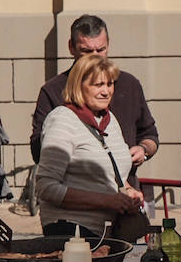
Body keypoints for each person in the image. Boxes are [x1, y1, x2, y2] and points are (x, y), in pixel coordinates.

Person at [29, 15, 159, 179]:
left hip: (125, 189)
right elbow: (39, 152)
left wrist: (143, 150)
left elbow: (150, 134)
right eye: (87, 51)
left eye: (101, 49)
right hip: (77, 191)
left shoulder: (129, 84)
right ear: (71, 47)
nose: (95, 57)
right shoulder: (53, 91)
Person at [34, 53, 145, 241]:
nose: (106, 91)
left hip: (108, 233)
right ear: (78, 86)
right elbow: (46, 187)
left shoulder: (109, 120)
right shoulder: (63, 119)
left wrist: (128, 191)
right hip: (71, 231)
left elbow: (111, 172)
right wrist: (107, 200)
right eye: (97, 85)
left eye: (109, 84)